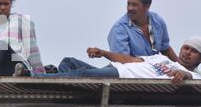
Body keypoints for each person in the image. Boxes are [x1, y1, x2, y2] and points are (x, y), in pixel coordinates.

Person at [28, 36, 201, 84]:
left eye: (194, 51)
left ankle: (34, 78)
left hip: (123, 76)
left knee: (81, 74)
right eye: (186, 48)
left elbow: (189, 78)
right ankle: (62, 87)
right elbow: (130, 59)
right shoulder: (161, 58)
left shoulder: (194, 77)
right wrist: (103, 52)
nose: (187, 53)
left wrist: (183, 74)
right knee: (69, 62)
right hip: (119, 67)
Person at [108, 0, 178, 62]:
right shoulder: (119, 29)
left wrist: (182, 67)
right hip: (132, 71)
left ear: (147, 6)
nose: (130, 8)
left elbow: (165, 49)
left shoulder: (158, 21)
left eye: (134, 5)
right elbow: (123, 63)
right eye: (128, 4)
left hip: (155, 69)